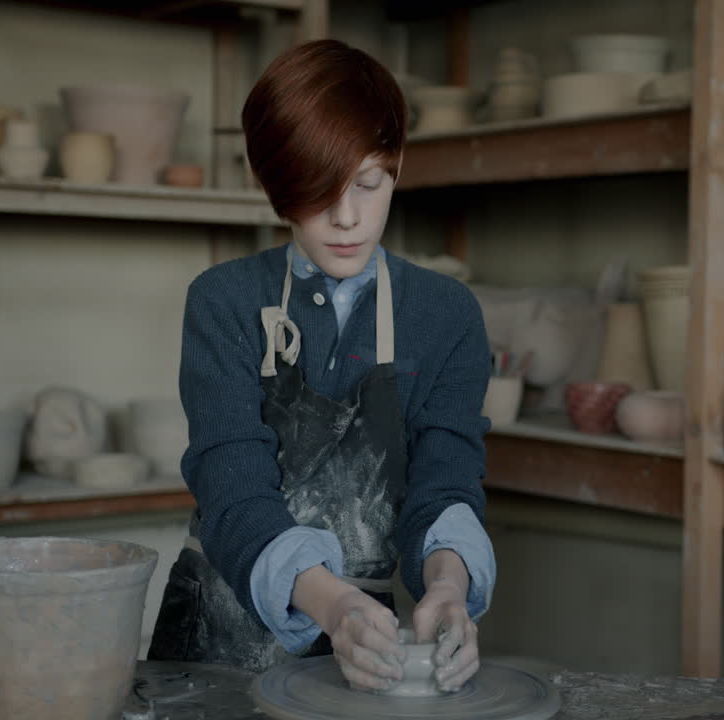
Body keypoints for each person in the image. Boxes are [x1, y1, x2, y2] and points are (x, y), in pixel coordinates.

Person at [147, 39, 495, 694]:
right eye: (318, 191)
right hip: (210, 643)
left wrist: (449, 582)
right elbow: (232, 487)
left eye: (369, 183)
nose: (346, 217)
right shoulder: (223, 301)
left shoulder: (445, 315)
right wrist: (328, 604)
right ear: (274, 183)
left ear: (398, 165)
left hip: (361, 641)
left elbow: (445, 480)